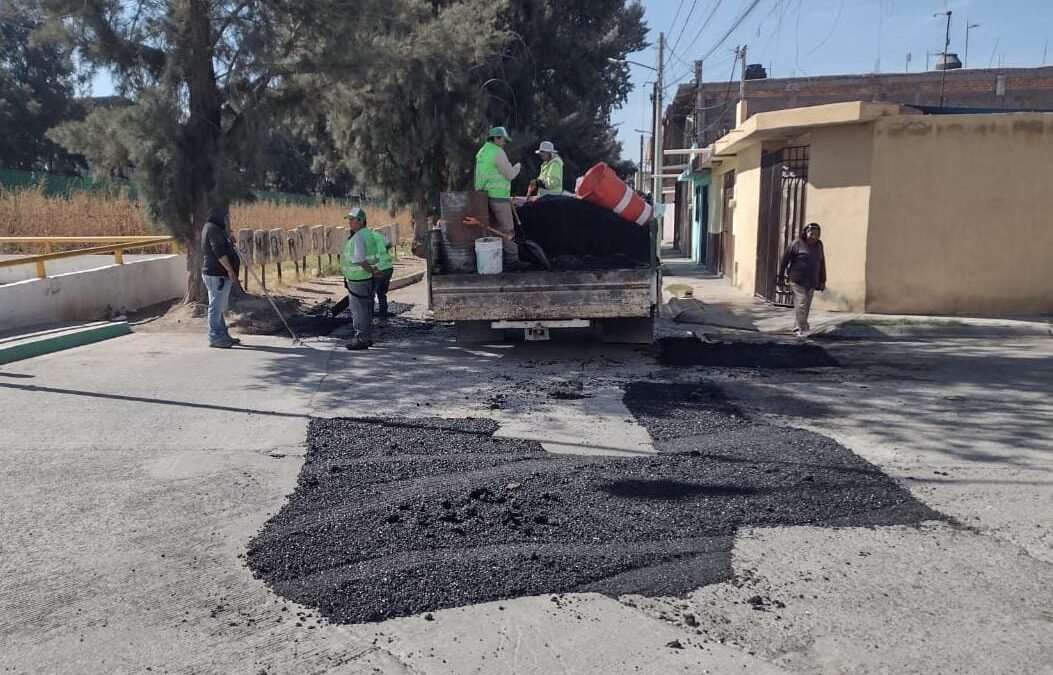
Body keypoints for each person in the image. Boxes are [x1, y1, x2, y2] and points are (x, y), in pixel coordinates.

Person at [474, 126, 526, 269]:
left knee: (493, 229)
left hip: (484, 196)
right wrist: (518, 167)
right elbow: (509, 175)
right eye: (503, 140)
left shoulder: (482, 152)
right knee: (507, 229)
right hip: (499, 196)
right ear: (496, 138)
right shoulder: (498, 152)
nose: (504, 143)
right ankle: (512, 260)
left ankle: (498, 258)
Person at [200, 205, 241, 348]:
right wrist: (230, 270)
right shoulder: (212, 229)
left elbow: (223, 246)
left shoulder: (217, 229)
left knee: (220, 306)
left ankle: (223, 334)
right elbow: (219, 253)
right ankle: (215, 336)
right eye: (225, 217)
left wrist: (229, 238)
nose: (226, 220)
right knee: (216, 306)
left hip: (219, 275)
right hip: (216, 274)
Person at [778, 222, 827, 337]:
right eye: (811, 232)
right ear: (805, 232)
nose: (813, 235)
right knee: (802, 302)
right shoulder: (796, 244)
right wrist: (781, 276)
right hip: (797, 279)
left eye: (816, 233)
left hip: (811, 281)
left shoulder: (819, 245)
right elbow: (785, 260)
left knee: (806, 305)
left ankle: (797, 327)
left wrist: (823, 280)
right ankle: (803, 329)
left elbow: (821, 263)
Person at [341, 208, 379, 350]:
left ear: (361, 221)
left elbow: (360, 261)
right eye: (349, 220)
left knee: (359, 311)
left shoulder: (357, 237)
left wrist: (371, 271)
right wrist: (373, 272)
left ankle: (361, 339)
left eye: (352, 220)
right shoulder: (368, 234)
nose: (350, 223)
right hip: (366, 278)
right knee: (367, 310)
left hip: (358, 280)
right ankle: (366, 337)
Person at [367, 227, 395, 319]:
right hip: (388, 267)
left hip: (377, 269)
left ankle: (369, 317)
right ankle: (383, 316)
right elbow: (389, 244)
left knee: (370, 294)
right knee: (382, 293)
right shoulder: (378, 235)